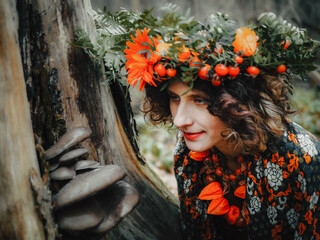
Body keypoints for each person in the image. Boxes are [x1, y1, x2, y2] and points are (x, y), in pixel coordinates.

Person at [122, 10, 320, 239]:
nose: (179, 120)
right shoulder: (190, 152)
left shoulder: (301, 160)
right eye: (175, 98)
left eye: (200, 100)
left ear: (238, 101)